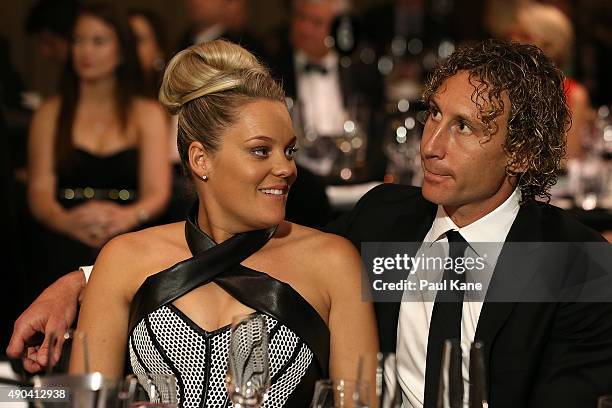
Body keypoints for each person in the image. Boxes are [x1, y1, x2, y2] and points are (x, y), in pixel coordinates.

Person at [9, 39, 612, 406]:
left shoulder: (567, 262)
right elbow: (253, 258)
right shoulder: (387, 223)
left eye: (465, 128)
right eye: (433, 116)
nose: (431, 144)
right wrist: (85, 279)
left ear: (521, 154)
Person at [69, 39, 376, 407]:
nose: (286, 168)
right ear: (201, 160)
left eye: (289, 150)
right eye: (261, 150)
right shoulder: (123, 260)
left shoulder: (334, 263)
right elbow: (82, 403)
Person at [27, 3, 170, 293]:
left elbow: (158, 191)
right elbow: (39, 190)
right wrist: (66, 222)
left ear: (121, 51)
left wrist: (128, 217)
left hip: (129, 240)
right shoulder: (50, 113)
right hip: (61, 239)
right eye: (79, 40)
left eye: (98, 41)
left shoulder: (147, 113)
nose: (85, 51)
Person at [509, 2, 592, 161]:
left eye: (524, 35)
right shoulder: (504, 85)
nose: (513, 40)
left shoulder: (573, 94)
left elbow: (568, 157)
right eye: (513, 33)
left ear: (549, 45)